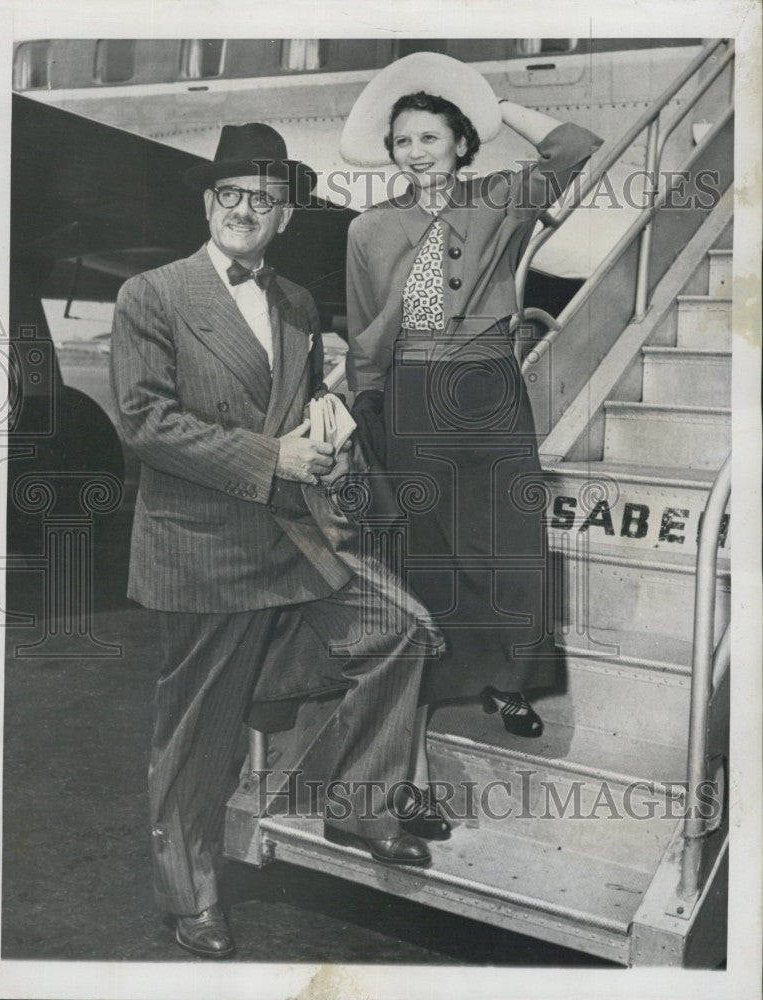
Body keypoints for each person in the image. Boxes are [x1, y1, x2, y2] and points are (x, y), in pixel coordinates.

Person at [110, 123, 441, 960]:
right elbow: (146, 422)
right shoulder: (152, 294)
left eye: (262, 200)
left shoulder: (295, 303)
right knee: (198, 731)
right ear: (207, 202)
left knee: (397, 632)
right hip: (204, 547)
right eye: (230, 196)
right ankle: (191, 895)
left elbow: (296, 416)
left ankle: (359, 803)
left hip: (292, 537)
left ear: (285, 215)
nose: (244, 212)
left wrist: (323, 449)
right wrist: (274, 455)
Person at [341, 54, 603, 810]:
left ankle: (511, 681)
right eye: (403, 142)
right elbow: (364, 332)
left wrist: (498, 102)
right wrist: (368, 406)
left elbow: (576, 144)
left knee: (512, 547)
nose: (416, 153)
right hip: (412, 396)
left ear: (460, 142)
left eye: (431, 137)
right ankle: (429, 710)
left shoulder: (501, 197)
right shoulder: (369, 228)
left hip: (490, 392)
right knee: (431, 556)